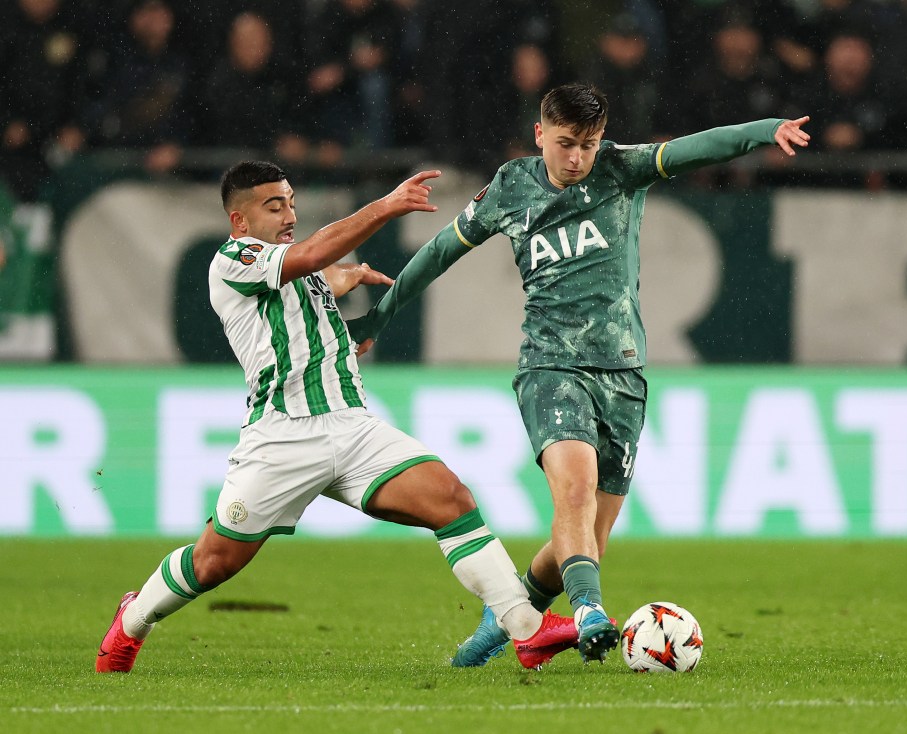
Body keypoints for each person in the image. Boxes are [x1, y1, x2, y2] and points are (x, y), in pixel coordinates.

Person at [348, 83, 810, 666]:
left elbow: (694, 149)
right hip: (550, 365)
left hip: (623, 375)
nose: (575, 159)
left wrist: (764, 130)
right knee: (574, 492)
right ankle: (589, 612)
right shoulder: (512, 187)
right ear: (540, 134)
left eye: (587, 145)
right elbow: (440, 251)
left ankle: (505, 617)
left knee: (588, 534)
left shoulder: (619, 169)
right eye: (564, 144)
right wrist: (379, 320)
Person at [95, 161, 580, 673]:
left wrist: (342, 314)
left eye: (291, 202)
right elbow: (307, 257)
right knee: (212, 562)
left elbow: (304, 301)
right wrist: (387, 206)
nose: (288, 213)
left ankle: (526, 631)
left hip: (352, 427)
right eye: (273, 205)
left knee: (451, 499)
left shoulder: (298, 272)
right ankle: (132, 622)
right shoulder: (232, 259)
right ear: (239, 220)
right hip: (282, 439)